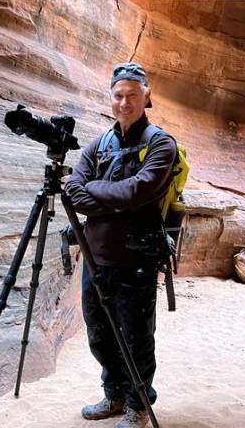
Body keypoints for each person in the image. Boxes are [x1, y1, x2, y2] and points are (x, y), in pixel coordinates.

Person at [65, 62, 177, 428]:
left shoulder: (160, 143)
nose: (124, 102)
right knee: (100, 334)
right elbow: (72, 191)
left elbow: (138, 191)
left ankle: (138, 405)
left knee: (135, 339)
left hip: (136, 258)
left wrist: (95, 192)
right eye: (118, 95)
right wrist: (114, 198)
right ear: (110, 98)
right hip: (96, 257)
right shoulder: (100, 144)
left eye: (132, 95)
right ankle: (113, 395)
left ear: (147, 97)